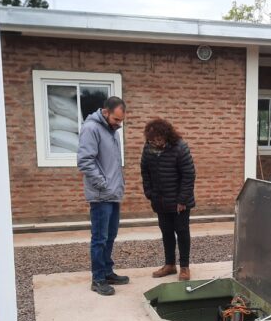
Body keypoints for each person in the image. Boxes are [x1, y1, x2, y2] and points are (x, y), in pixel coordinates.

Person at [77, 96, 130, 296]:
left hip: (113, 193)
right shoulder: (91, 129)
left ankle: (107, 272)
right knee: (99, 238)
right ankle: (98, 279)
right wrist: (103, 183)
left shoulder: (112, 131)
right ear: (105, 112)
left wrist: (116, 186)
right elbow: (84, 161)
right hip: (101, 195)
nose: (119, 124)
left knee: (111, 235)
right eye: (116, 120)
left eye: (121, 121)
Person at [141, 118, 196, 282]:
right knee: (166, 232)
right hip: (160, 200)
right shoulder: (148, 149)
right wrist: (149, 192)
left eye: (158, 139)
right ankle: (170, 265)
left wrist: (182, 200)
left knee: (182, 232)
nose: (155, 143)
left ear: (166, 135)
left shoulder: (180, 148)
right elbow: (145, 171)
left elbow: (189, 175)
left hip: (180, 201)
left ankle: (184, 267)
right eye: (152, 140)